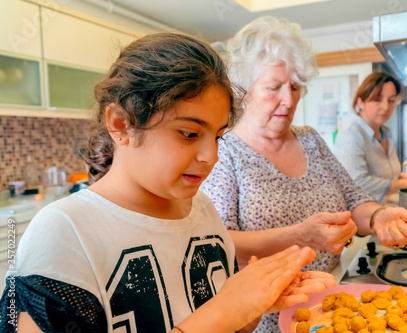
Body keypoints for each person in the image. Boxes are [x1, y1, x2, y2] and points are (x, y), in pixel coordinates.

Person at [0, 32, 336, 333]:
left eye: (218, 136)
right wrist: (221, 314)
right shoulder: (64, 231)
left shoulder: (204, 213)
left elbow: (223, 324)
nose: (211, 156)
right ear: (120, 123)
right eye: (189, 133)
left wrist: (249, 308)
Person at [200, 16, 407, 333]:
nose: (288, 100)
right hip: (265, 319)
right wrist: (300, 236)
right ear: (244, 90)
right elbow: (220, 243)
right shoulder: (226, 152)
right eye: (273, 87)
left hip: (327, 307)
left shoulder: (310, 140)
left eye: (294, 86)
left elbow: (353, 198)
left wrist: (378, 218)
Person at [334, 72, 407, 203]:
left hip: (388, 210)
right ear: (361, 102)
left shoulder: (385, 132)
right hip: (365, 218)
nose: (386, 107)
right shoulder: (351, 134)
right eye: (377, 100)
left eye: (391, 100)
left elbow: (392, 175)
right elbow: (358, 182)